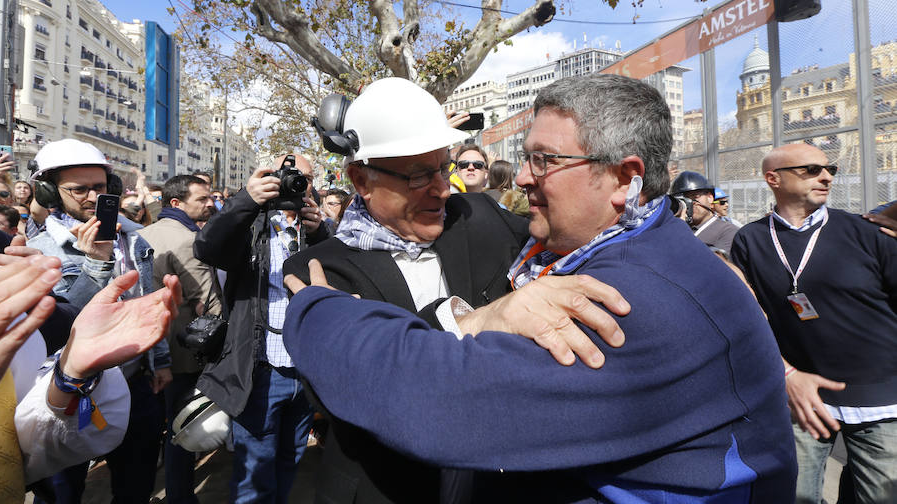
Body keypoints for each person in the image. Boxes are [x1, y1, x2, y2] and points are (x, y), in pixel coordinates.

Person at [284, 74, 797, 502]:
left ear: (624, 179)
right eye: (418, 175)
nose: (522, 179)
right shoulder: (316, 265)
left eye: (544, 160)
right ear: (361, 179)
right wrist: (481, 317)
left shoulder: (614, 300)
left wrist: (317, 313)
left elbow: (437, 401)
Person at [730, 143, 897, 504]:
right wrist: (784, 376)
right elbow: (747, 319)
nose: (826, 176)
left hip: (881, 402)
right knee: (793, 496)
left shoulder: (868, 233)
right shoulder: (750, 240)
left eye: (830, 170)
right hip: (801, 401)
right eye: (811, 169)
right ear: (773, 179)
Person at [26, 138, 169, 504]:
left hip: (138, 382)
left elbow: (147, 300)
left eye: (101, 187)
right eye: (79, 189)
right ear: (50, 192)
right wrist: (95, 264)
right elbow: (63, 321)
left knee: (135, 484)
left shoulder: (134, 239)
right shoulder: (39, 250)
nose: (92, 197)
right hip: (69, 391)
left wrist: (161, 361)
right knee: (61, 491)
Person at [194, 153, 328, 503]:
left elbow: (338, 282)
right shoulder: (252, 226)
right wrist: (246, 200)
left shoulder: (315, 230)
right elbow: (207, 246)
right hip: (260, 373)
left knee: (289, 462)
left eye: (307, 178)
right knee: (255, 473)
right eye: (290, 175)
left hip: (305, 373)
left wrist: (322, 233)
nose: (300, 183)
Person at [137, 175, 222, 504]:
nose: (210, 203)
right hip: (182, 352)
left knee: (157, 428)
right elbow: (208, 301)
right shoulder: (187, 239)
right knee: (183, 430)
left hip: (148, 348)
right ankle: (180, 496)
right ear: (176, 203)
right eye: (202, 199)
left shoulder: (144, 233)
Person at [669, 170, 739, 255]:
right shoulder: (672, 229)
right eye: (682, 200)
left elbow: (714, 265)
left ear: (710, 198)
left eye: (695, 197)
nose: (689, 203)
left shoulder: (728, 231)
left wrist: (682, 232)